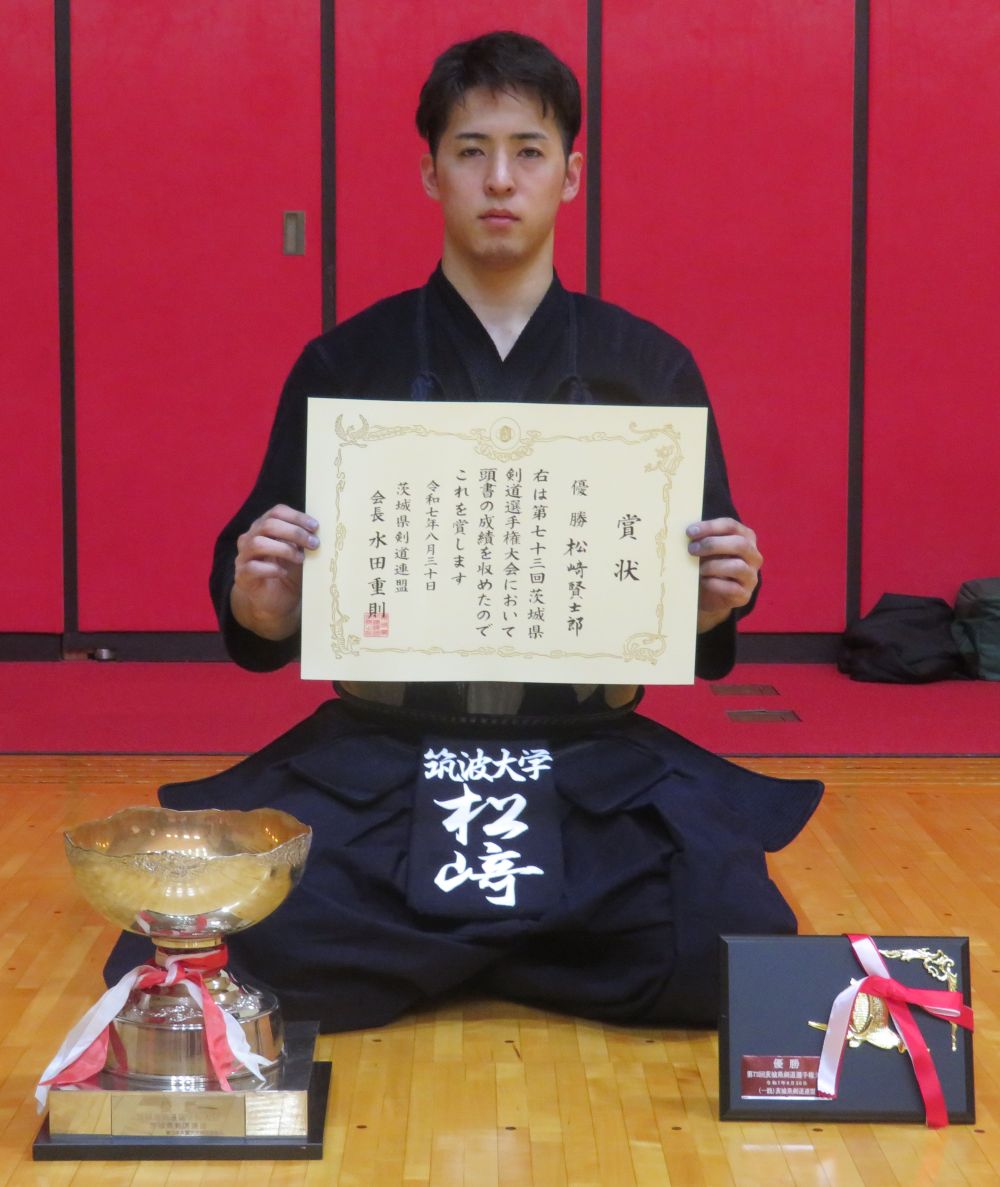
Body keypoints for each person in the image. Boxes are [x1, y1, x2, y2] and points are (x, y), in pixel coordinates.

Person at [106, 31, 822, 1029]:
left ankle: (435, 955)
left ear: (572, 174)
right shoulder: (346, 361)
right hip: (391, 748)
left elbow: (700, 633)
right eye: (471, 150)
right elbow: (262, 617)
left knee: (723, 934)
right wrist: (261, 599)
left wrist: (716, 597)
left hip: (581, 750)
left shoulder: (649, 367)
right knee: (248, 934)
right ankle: (529, 947)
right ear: (430, 172)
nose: (500, 179)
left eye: (529, 151)